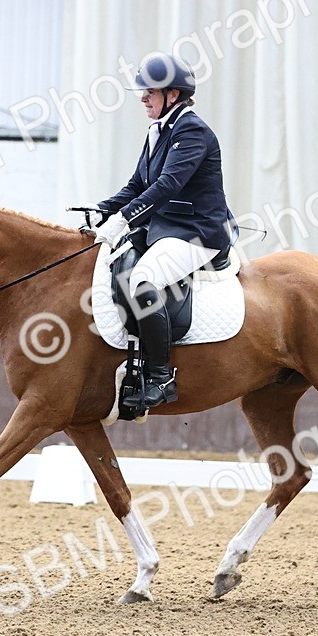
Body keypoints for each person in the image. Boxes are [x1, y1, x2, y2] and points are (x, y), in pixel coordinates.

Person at [93, 52, 237, 410]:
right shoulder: (159, 130)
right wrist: (101, 209)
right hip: (167, 227)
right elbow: (138, 185)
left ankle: (160, 376)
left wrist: (124, 218)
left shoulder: (191, 131)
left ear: (173, 95)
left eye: (150, 92)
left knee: (143, 279)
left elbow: (168, 185)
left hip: (198, 231)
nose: (143, 98)